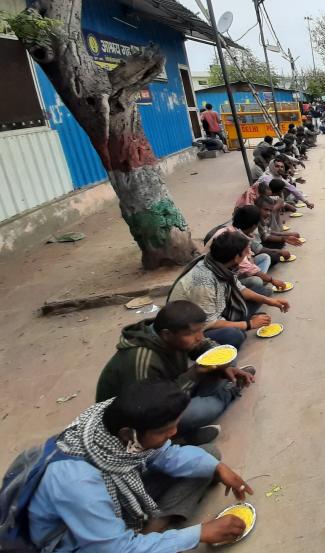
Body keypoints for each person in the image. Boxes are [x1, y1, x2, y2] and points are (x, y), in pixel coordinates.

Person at [27, 381, 253, 551]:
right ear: (128, 434)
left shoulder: (108, 422)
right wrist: (198, 534)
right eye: (165, 431)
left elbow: (166, 455)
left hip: (115, 497)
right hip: (78, 540)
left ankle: (149, 532)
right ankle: (147, 538)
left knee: (209, 456)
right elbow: (114, 549)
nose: (173, 434)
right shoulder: (77, 483)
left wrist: (217, 468)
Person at [95, 301, 255, 442]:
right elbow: (152, 411)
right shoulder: (141, 361)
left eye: (201, 330)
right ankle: (177, 439)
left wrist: (224, 367)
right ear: (167, 334)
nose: (199, 337)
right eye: (192, 333)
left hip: (169, 388)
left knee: (226, 360)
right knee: (202, 411)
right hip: (143, 419)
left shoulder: (173, 336)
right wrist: (195, 373)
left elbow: (205, 346)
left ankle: (227, 383)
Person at [167, 231, 290, 350]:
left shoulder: (222, 265)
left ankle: (240, 319)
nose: (249, 253)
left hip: (218, 309)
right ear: (236, 257)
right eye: (245, 251)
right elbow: (209, 323)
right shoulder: (203, 280)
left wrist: (271, 302)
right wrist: (249, 325)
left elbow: (240, 289)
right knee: (235, 336)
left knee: (262, 292)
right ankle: (242, 321)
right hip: (196, 327)